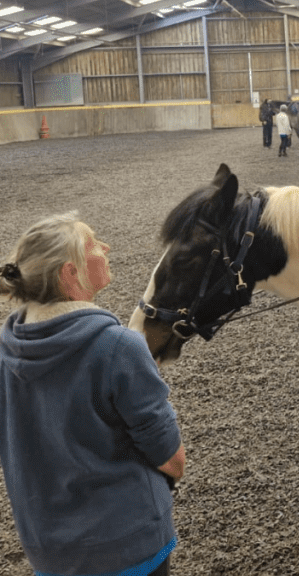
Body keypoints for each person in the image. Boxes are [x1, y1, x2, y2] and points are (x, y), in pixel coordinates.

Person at [0, 212, 185, 576]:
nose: (106, 247)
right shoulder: (117, 345)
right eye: (93, 243)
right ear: (70, 273)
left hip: (49, 550)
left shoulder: (7, 350)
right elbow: (170, 458)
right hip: (127, 545)